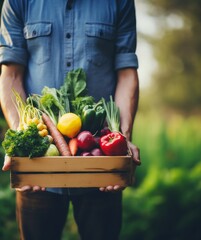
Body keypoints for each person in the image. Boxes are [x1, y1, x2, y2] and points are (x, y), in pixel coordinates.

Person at [0, 0, 141, 239]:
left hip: (100, 160)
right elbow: (10, 75)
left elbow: (127, 72)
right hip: (38, 161)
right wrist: (24, 138)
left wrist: (122, 137)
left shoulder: (119, 2)